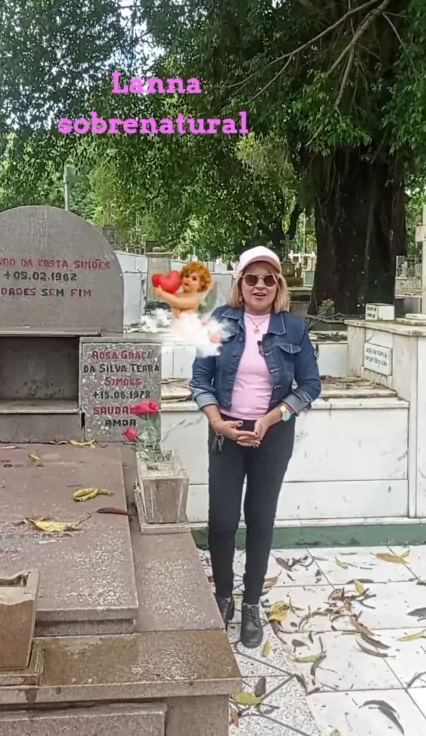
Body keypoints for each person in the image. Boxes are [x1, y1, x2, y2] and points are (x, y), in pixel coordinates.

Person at [190, 246, 321, 648]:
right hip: (225, 432)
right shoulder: (219, 321)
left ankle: (250, 604)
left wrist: (270, 418)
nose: (260, 285)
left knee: (260, 519)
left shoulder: (294, 328)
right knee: (222, 521)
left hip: (272, 435)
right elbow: (200, 380)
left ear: (278, 285)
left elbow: (310, 385)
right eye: (252, 278)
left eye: (268, 279)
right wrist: (218, 423)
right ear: (240, 284)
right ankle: (223, 596)